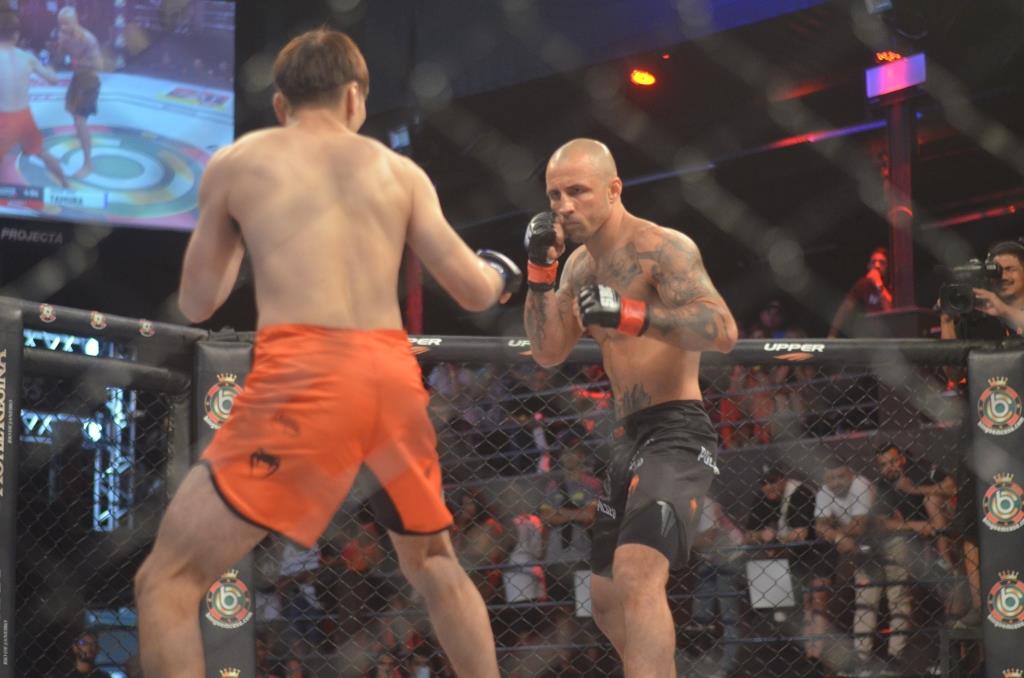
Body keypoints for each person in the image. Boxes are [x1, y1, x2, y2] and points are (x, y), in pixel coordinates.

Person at [133, 28, 520, 678]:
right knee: (433, 561)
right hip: (391, 378)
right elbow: (475, 290)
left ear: (281, 104)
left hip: (306, 375)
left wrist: (239, 230)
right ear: (354, 98)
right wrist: (503, 273)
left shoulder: (240, 160)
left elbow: (198, 302)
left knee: (165, 581)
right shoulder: (400, 173)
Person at [522, 138, 738, 677]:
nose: (564, 206)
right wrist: (540, 271)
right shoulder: (576, 267)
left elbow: (722, 329)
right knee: (604, 599)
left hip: (677, 429)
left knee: (638, 572)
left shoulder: (662, 248)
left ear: (613, 189)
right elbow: (547, 351)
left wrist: (633, 314)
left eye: (577, 191)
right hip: (626, 438)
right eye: (554, 196)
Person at [744, 467, 824, 661]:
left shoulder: (799, 493)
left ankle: (813, 654)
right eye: (763, 483)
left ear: (783, 479)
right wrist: (762, 535)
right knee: (763, 570)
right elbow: (748, 535)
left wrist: (775, 539)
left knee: (813, 603)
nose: (768, 486)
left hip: (814, 553)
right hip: (786, 557)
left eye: (773, 481)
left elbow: (801, 534)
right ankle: (777, 642)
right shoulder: (763, 497)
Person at [0, 10, 67, 186]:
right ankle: (65, 185)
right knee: (42, 152)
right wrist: (50, 65)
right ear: (16, 34)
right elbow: (54, 79)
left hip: (3, 118)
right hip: (23, 117)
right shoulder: (27, 58)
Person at [54, 6, 102, 179]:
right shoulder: (63, 36)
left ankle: (88, 164)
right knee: (71, 111)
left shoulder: (89, 39)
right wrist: (60, 47)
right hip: (77, 78)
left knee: (80, 120)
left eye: (66, 23)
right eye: (61, 24)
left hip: (90, 79)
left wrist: (76, 62)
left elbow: (99, 65)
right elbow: (59, 58)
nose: (63, 27)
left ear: (76, 21)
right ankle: (81, 135)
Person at [828, 247, 893, 338]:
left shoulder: (894, 283)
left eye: (882, 262)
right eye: (873, 262)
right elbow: (845, 309)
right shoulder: (863, 284)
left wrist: (878, 284)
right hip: (868, 333)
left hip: (889, 334)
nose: (877, 266)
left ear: (888, 266)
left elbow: (891, 312)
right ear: (869, 266)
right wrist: (832, 335)